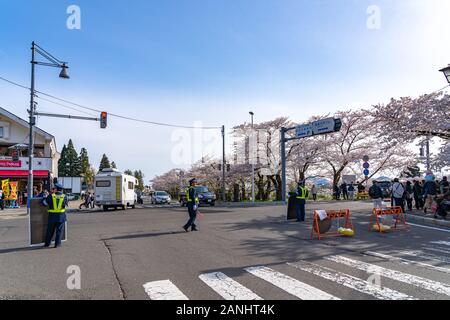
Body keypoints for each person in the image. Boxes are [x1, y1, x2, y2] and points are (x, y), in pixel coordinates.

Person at [43, 183, 68, 248]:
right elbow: (66, 204)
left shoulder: (51, 196)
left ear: (56, 189)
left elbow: (44, 203)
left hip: (52, 217)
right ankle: (57, 244)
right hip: (61, 217)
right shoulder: (64, 196)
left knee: (50, 231)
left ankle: (47, 244)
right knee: (59, 231)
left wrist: (45, 197)